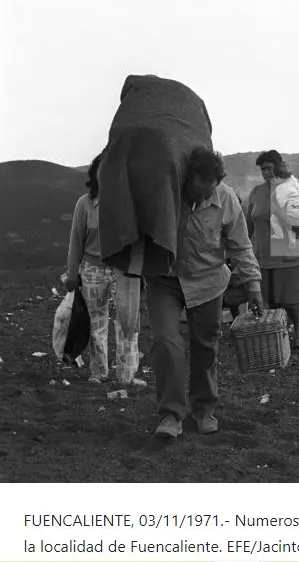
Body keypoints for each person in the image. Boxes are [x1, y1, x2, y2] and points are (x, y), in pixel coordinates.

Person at [145, 148, 263, 439]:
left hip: (208, 280)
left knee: (206, 346)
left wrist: (253, 284)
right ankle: (171, 414)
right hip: (165, 279)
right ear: (187, 180)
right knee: (165, 343)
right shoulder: (165, 193)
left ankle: (203, 409)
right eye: (196, 192)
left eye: (208, 192)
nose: (201, 199)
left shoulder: (226, 199)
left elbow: (240, 245)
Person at [65, 153, 145, 387]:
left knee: (128, 322)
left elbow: (139, 239)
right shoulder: (85, 204)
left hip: (124, 269)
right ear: (95, 174)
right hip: (92, 269)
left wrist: (140, 271)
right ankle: (99, 372)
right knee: (96, 322)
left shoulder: (130, 203)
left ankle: (127, 375)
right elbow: (75, 241)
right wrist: (72, 274)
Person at [246, 150, 299, 348]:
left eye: (269, 168)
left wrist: (277, 208)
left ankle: (298, 329)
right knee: (266, 302)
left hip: (289, 257)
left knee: (291, 301)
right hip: (263, 256)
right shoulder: (256, 192)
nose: (266, 172)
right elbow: (248, 224)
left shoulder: (294, 190)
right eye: (262, 169)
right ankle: (273, 336)